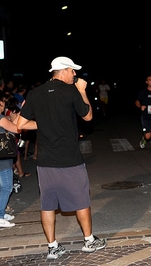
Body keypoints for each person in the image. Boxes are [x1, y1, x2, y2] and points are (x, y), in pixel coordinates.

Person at [17, 56, 107, 259]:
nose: (75, 74)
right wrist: (83, 91)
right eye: (72, 71)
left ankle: (52, 246)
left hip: (45, 160)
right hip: (69, 158)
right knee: (81, 199)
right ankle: (89, 241)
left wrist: (44, 124)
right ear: (64, 71)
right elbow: (88, 116)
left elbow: (21, 125)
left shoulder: (35, 93)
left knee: (47, 203)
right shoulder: (71, 91)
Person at [0, 91, 20, 228]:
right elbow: (16, 129)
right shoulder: (0, 118)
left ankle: (1, 212)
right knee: (7, 187)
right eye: (1, 104)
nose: (3, 107)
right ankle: (0, 216)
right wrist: (19, 116)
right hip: (2, 158)